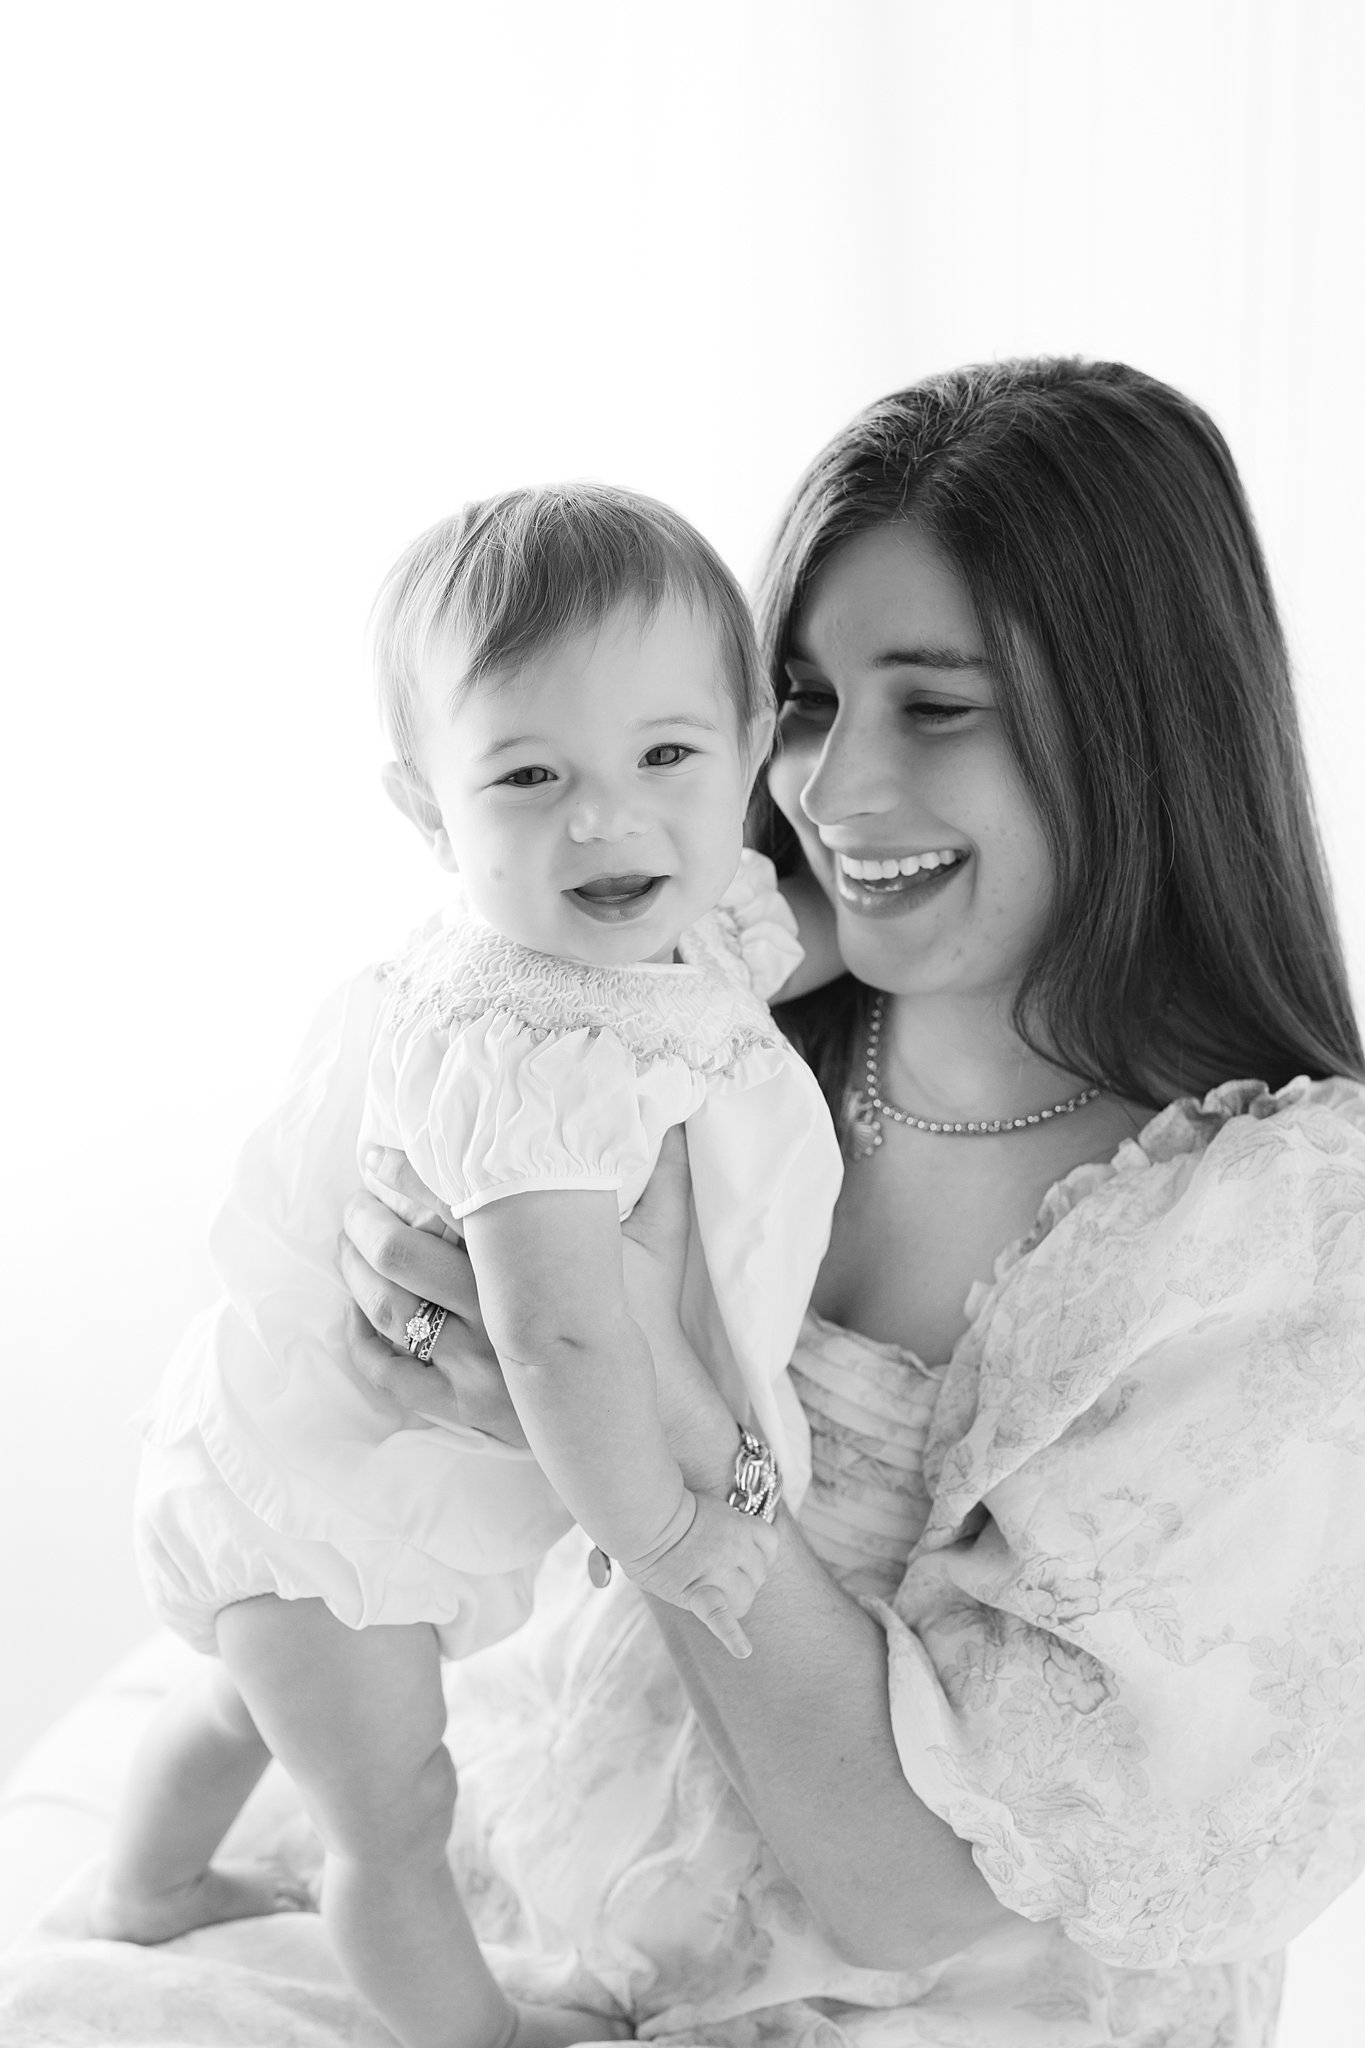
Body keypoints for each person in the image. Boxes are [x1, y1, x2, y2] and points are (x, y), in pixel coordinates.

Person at [328, 360, 1365, 2046]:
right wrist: (418, 1332)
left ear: (1139, 722)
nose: (830, 787)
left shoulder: (1270, 1245)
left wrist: (642, 1422)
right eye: (801, 700)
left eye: (932, 706)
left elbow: (914, 1892)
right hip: (577, 1906)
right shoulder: (723, 1031)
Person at [89, 485, 846, 2048]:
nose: (606, 819)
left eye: (663, 758)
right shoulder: (527, 1048)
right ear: (428, 810)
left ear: (753, 746)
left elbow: (779, 961)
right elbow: (560, 1340)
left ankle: (149, 1887)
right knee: (386, 1795)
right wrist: (661, 1533)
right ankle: (470, 2035)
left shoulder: (680, 928)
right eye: (526, 775)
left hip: (287, 1442)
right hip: (333, 1478)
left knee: (247, 1685)